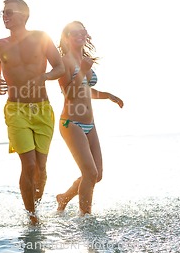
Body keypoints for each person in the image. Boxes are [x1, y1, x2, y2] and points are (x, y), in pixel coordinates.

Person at [0, 0, 65, 224]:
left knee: (40, 168)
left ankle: (36, 206)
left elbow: (59, 67)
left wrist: (45, 76)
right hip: (16, 109)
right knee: (29, 165)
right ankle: (32, 217)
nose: (5, 15)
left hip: (42, 109)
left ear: (24, 15)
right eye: (3, 12)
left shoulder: (41, 37)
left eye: (9, 12)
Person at [55, 21, 124, 215]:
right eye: (74, 32)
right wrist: (83, 71)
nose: (80, 34)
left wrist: (107, 95)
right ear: (66, 36)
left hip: (89, 123)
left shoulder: (84, 59)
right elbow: (69, 93)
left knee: (97, 175)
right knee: (90, 173)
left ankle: (64, 197)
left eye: (82, 31)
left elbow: (85, 90)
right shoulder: (65, 61)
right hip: (71, 123)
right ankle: (86, 218)